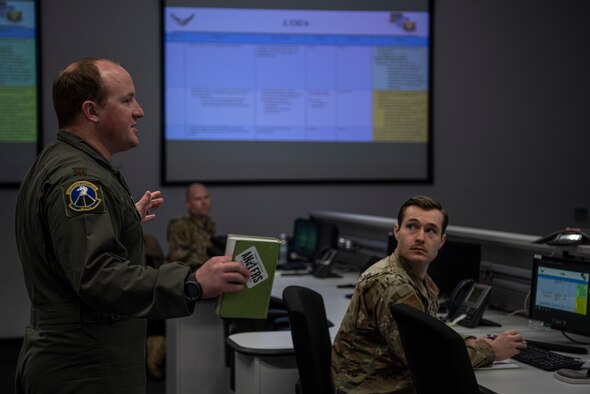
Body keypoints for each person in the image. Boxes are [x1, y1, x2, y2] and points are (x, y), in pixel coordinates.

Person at [14, 57, 250, 394]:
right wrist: (191, 282)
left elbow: (62, 248)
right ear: (91, 111)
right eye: (126, 100)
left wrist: (120, 221)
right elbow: (97, 276)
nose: (138, 111)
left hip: (75, 358)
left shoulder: (58, 161)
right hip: (86, 366)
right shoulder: (78, 181)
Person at [331, 195, 526, 393]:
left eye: (430, 230)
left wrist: (467, 341)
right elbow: (427, 361)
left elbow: (426, 335)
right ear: (397, 232)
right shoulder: (391, 283)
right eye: (412, 227)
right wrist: (491, 351)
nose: (420, 237)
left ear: (441, 241)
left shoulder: (419, 279)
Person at [167, 182, 222, 270]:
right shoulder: (180, 224)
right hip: (182, 273)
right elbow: (177, 256)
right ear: (188, 204)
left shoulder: (209, 223)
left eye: (206, 197)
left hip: (203, 270)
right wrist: (208, 258)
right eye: (198, 199)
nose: (204, 202)